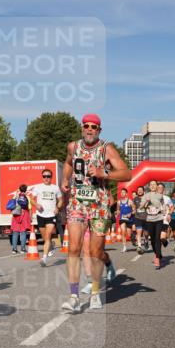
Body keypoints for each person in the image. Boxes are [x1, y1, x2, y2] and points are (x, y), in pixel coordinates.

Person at [60, 113, 131, 313]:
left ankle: (95, 293)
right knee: (73, 248)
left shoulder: (106, 149)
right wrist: (65, 179)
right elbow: (67, 163)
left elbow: (127, 173)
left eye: (94, 126)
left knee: (95, 252)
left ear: (99, 130)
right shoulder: (73, 147)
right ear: (82, 128)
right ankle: (73, 296)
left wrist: (103, 173)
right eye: (86, 126)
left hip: (99, 206)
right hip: (76, 203)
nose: (90, 129)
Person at [28, 169, 63, 266]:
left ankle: (44, 258)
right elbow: (31, 200)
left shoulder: (55, 188)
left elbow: (60, 200)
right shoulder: (38, 187)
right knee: (45, 237)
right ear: (42, 177)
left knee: (48, 236)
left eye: (48, 176)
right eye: (44, 176)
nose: (46, 178)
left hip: (51, 215)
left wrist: (58, 207)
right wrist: (36, 205)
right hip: (40, 215)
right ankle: (50, 245)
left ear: (51, 177)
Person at [140, 180, 167, 268]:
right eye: (151, 184)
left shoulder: (160, 195)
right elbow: (141, 207)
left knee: (157, 238)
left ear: (156, 186)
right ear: (149, 186)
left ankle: (157, 258)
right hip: (149, 219)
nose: (152, 186)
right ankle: (158, 254)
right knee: (153, 240)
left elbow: (163, 206)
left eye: (154, 184)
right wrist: (145, 202)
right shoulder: (145, 195)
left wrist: (164, 211)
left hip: (159, 218)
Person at [6, 185, 32, 254]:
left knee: (15, 232)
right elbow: (29, 208)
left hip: (16, 215)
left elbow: (11, 205)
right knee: (23, 232)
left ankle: (14, 249)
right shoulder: (27, 197)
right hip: (24, 214)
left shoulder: (15, 196)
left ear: (19, 189)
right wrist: (30, 217)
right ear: (26, 190)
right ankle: (23, 249)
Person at [118, 188, 134, 252]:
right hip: (122, 218)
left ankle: (133, 237)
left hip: (129, 219)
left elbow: (134, 210)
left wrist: (130, 213)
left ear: (126, 194)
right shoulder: (119, 202)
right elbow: (118, 209)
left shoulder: (130, 201)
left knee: (129, 234)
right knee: (123, 231)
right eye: (121, 192)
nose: (122, 193)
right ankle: (124, 247)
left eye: (123, 192)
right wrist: (117, 212)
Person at [133, 185, 146, 250]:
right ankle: (139, 246)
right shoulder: (135, 199)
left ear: (143, 191)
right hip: (138, 217)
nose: (140, 191)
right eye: (138, 190)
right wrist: (133, 211)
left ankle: (146, 240)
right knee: (139, 231)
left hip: (146, 218)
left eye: (141, 190)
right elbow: (134, 207)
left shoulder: (147, 198)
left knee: (146, 233)